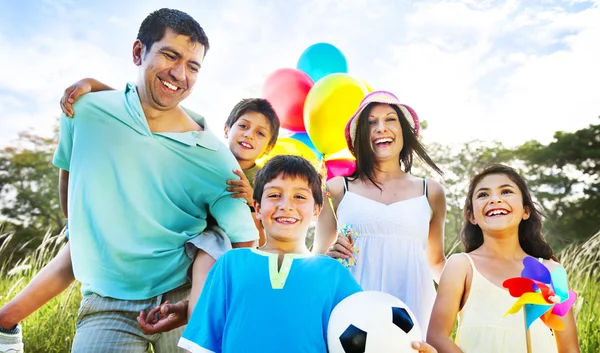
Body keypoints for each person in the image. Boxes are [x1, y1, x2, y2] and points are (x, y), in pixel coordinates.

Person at [0, 8, 258, 353]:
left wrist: (202, 307)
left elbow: (244, 244)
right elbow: (70, 167)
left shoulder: (214, 157)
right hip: (109, 303)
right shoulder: (85, 110)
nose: (180, 74)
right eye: (170, 55)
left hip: (184, 297)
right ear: (138, 52)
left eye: (193, 66)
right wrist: (79, 227)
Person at [177, 155, 439, 353]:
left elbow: (369, 336)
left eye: (300, 197)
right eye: (274, 195)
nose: (286, 206)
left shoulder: (334, 273)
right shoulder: (230, 265)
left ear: (316, 210)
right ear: (257, 206)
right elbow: (201, 347)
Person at [61, 82, 279, 247]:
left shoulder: (265, 181)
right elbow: (140, 111)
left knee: (208, 249)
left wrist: (253, 202)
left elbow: (262, 240)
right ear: (226, 129)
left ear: (268, 148)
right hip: (174, 232)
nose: (249, 135)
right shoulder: (204, 151)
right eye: (243, 126)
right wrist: (93, 84)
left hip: (218, 243)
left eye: (260, 133)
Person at [313, 90, 447, 337]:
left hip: (414, 312)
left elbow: (436, 262)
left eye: (390, 119)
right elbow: (317, 257)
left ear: (404, 132)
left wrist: (473, 290)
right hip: (352, 316)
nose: (381, 128)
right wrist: (329, 256)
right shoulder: (336, 189)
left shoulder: (431, 192)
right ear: (361, 136)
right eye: (371, 122)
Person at [427, 164, 580, 352]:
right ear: (472, 216)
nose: (495, 199)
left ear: (526, 210)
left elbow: (569, 349)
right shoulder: (461, 266)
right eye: (483, 195)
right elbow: (437, 336)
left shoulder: (553, 272)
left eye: (506, 191)